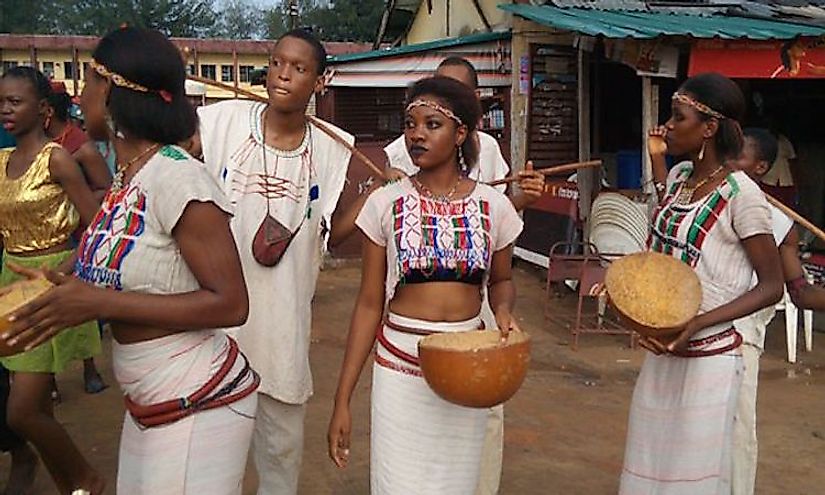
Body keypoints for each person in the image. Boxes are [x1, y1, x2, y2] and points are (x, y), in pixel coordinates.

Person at [2, 27, 258, 494]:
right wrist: (53, 281)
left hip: (197, 403)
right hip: (152, 403)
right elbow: (116, 266)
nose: (80, 95)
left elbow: (231, 304)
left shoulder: (179, 178)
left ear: (115, 92)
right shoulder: (129, 178)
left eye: (91, 81)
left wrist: (98, 303)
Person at [327, 75, 524, 494]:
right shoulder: (386, 202)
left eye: (432, 124)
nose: (417, 134)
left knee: (457, 484)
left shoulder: (493, 206)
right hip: (401, 367)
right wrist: (342, 399)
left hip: (466, 368)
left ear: (461, 134)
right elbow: (368, 304)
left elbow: (502, 281)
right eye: (410, 123)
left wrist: (503, 312)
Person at [196, 29, 355, 494]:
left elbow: (333, 231)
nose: (283, 75)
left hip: (285, 326)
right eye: (277, 63)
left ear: (320, 81)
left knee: (280, 457)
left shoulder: (333, 149)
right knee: (212, 454)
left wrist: (382, 193)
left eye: (299, 68)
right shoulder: (221, 122)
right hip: (217, 325)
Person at [385, 55, 542, 495]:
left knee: (481, 408)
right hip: (413, 305)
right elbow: (388, 209)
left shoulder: (487, 150)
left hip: (477, 302)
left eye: (457, 93)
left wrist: (522, 198)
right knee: (413, 431)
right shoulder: (406, 145)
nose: (422, 130)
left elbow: (497, 218)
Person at [621, 73, 783, 494]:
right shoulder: (680, 180)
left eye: (678, 117)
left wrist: (696, 323)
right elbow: (666, 240)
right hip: (666, 349)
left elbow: (771, 287)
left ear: (709, 128)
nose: (668, 126)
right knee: (652, 462)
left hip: (708, 357)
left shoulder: (742, 196)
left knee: (692, 477)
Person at [0, 66, 104, 493]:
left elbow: (98, 226)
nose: (5, 108)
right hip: (11, 279)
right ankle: (72, 487)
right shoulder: (1, 161)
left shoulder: (57, 158)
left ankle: (86, 479)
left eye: (15, 101)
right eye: (1, 100)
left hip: (48, 284)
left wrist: (61, 271)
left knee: (21, 412)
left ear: (43, 109)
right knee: (39, 406)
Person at [726, 128, 825, 495]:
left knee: (736, 433)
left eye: (739, 156)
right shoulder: (709, 200)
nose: (728, 162)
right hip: (697, 332)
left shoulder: (778, 223)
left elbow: (800, 293)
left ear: (761, 167)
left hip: (741, 341)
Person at [384, 56, 544, 211]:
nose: (443, 101)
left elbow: (495, 213)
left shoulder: (488, 147)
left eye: (455, 93)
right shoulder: (403, 151)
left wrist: (526, 198)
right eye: (439, 91)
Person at [45, 82, 111, 396]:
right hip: (37, 240)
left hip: (77, 234)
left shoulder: (79, 145)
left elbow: (108, 190)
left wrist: (71, 199)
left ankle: (89, 368)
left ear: (45, 111)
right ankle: (49, 379)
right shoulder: (27, 147)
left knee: (79, 310)